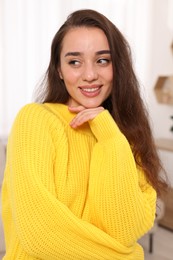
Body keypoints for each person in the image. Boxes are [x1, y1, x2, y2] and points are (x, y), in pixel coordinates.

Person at [1, 9, 168, 260]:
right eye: (74, 61)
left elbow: (125, 229)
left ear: (117, 66)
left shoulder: (125, 137)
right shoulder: (35, 120)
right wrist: (129, 256)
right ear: (59, 69)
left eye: (102, 60)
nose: (90, 75)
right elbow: (40, 234)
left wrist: (110, 138)